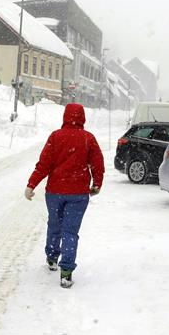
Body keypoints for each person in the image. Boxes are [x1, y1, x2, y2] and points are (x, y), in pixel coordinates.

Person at [25, 103, 104, 288]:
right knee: (70, 231)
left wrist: (31, 184)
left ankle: (52, 257)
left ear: (65, 116)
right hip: (78, 194)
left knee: (54, 224)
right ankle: (66, 272)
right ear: (82, 117)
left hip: (54, 192)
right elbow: (97, 164)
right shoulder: (88, 138)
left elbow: (43, 164)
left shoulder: (56, 137)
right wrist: (97, 184)